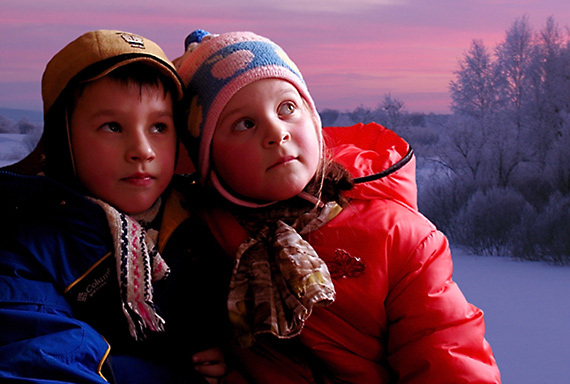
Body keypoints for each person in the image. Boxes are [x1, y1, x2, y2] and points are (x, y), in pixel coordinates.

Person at [174, 30, 502, 383]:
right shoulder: (193, 232)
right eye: (244, 124)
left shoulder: (398, 238)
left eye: (287, 108)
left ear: (313, 122)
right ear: (208, 161)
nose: (276, 132)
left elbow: (447, 360)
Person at [0, 30, 227, 383]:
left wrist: (227, 352)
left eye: (159, 126)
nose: (142, 149)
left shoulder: (204, 223)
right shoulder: (23, 248)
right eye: (112, 126)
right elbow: (35, 359)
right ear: (62, 140)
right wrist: (172, 374)